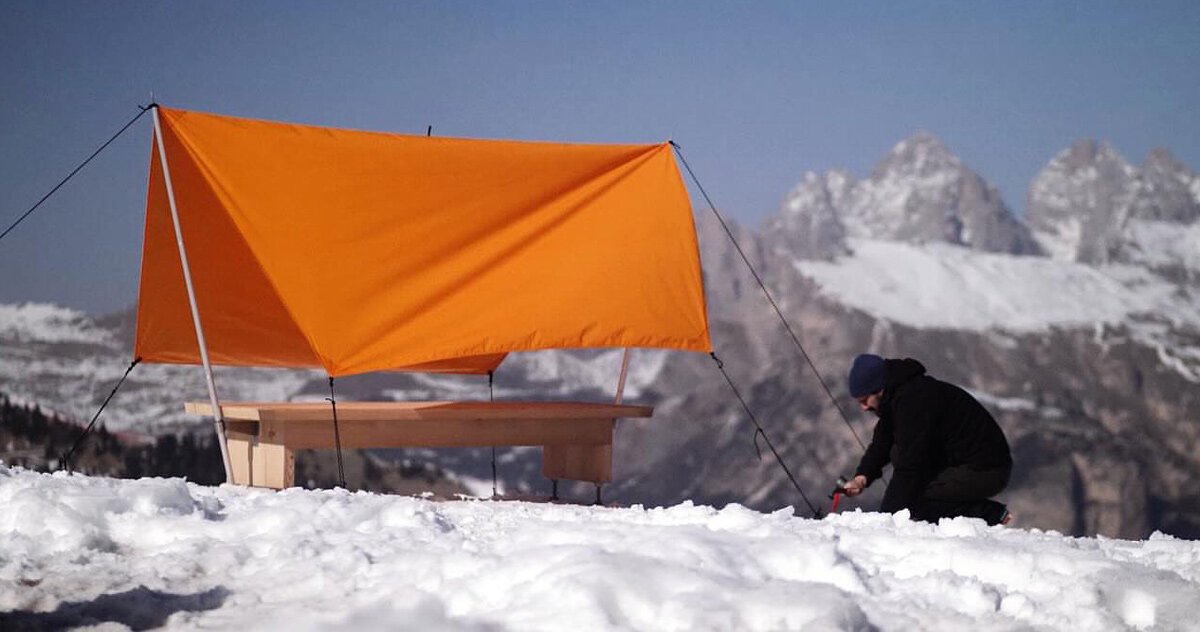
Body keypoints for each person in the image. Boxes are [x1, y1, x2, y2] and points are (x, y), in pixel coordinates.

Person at [839, 353, 1014, 525]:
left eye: (865, 400)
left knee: (915, 498)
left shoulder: (915, 401)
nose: (863, 408)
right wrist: (862, 478)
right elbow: (882, 443)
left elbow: (910, 464)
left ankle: (989, 513)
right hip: (961, 463)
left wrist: (887, 519)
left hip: (988, 470)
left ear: (879, 389)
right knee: (901, 465)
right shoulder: (896, 397)